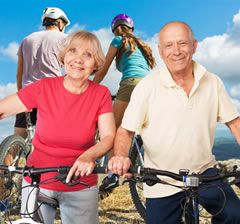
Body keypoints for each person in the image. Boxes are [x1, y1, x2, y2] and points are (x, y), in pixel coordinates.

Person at [108, 21, 240, 224]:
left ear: (194, 46)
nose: (176, 51)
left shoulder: (212, 82)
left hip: (204, 172)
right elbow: (126, 131)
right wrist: (120, 156)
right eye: (169, 45)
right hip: (162, 180)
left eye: (182, 43)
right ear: (160, 51)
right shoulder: (147, 87)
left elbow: (235, 123)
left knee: (234, 214)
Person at [0, 30, 116, 224]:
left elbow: (108, 137)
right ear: (63, 57)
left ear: (96, 63)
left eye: (87, 54)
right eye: (73, 51)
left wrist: (89, 156)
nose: (78, 59)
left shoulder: (100, 94)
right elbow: (3, 109)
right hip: (37, 178)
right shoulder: (44, 86)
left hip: (81, 182)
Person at [93, 13, 155, 192]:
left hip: (130, 84)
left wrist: (90, 87)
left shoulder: (119, 40)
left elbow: (103, 68)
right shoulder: (141, 44)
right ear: (131, 28)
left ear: (114, 29)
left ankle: (113, 175)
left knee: (111, 129)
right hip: (150, 87)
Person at [15, 7, 70, 138]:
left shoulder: (26, 39)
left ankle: (9, 155)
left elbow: (19, 74)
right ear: (60, 23)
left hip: (27, 93)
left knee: (17, 139)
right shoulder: (66, 39)